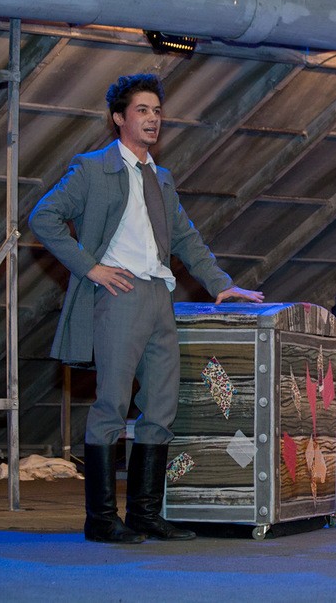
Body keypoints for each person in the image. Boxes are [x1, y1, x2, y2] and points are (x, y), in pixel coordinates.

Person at [29, 74, 264, 543]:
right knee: (112, 405)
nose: (153, 118)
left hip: (160, 297)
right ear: (119, 118)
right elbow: (43, 217)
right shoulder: (92, 169)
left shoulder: (161, 177)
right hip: (120, 295)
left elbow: (185, 238)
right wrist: (91, 268)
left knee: (160, 407)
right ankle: (100, 519)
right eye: (142, 110)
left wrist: (221, 284)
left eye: (157, 111)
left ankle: (144, 513)